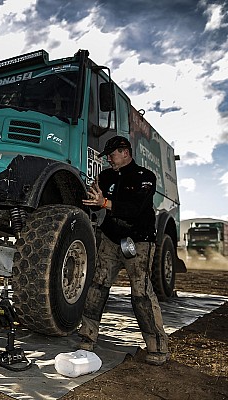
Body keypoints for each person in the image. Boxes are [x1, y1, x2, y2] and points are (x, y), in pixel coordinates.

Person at [79, 136, 169, 366]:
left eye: (112, 154)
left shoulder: (145, 177)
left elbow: (135, 208)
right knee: (96, 288)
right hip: (110, 239)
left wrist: (105, 203)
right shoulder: (106, 176)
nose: (108, 159)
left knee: (141, 294)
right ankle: (87, 339)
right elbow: (94, 199)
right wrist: (92, 199)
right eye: (107, 155)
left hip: (139, 241)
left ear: (126, 152)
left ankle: (157, 348)